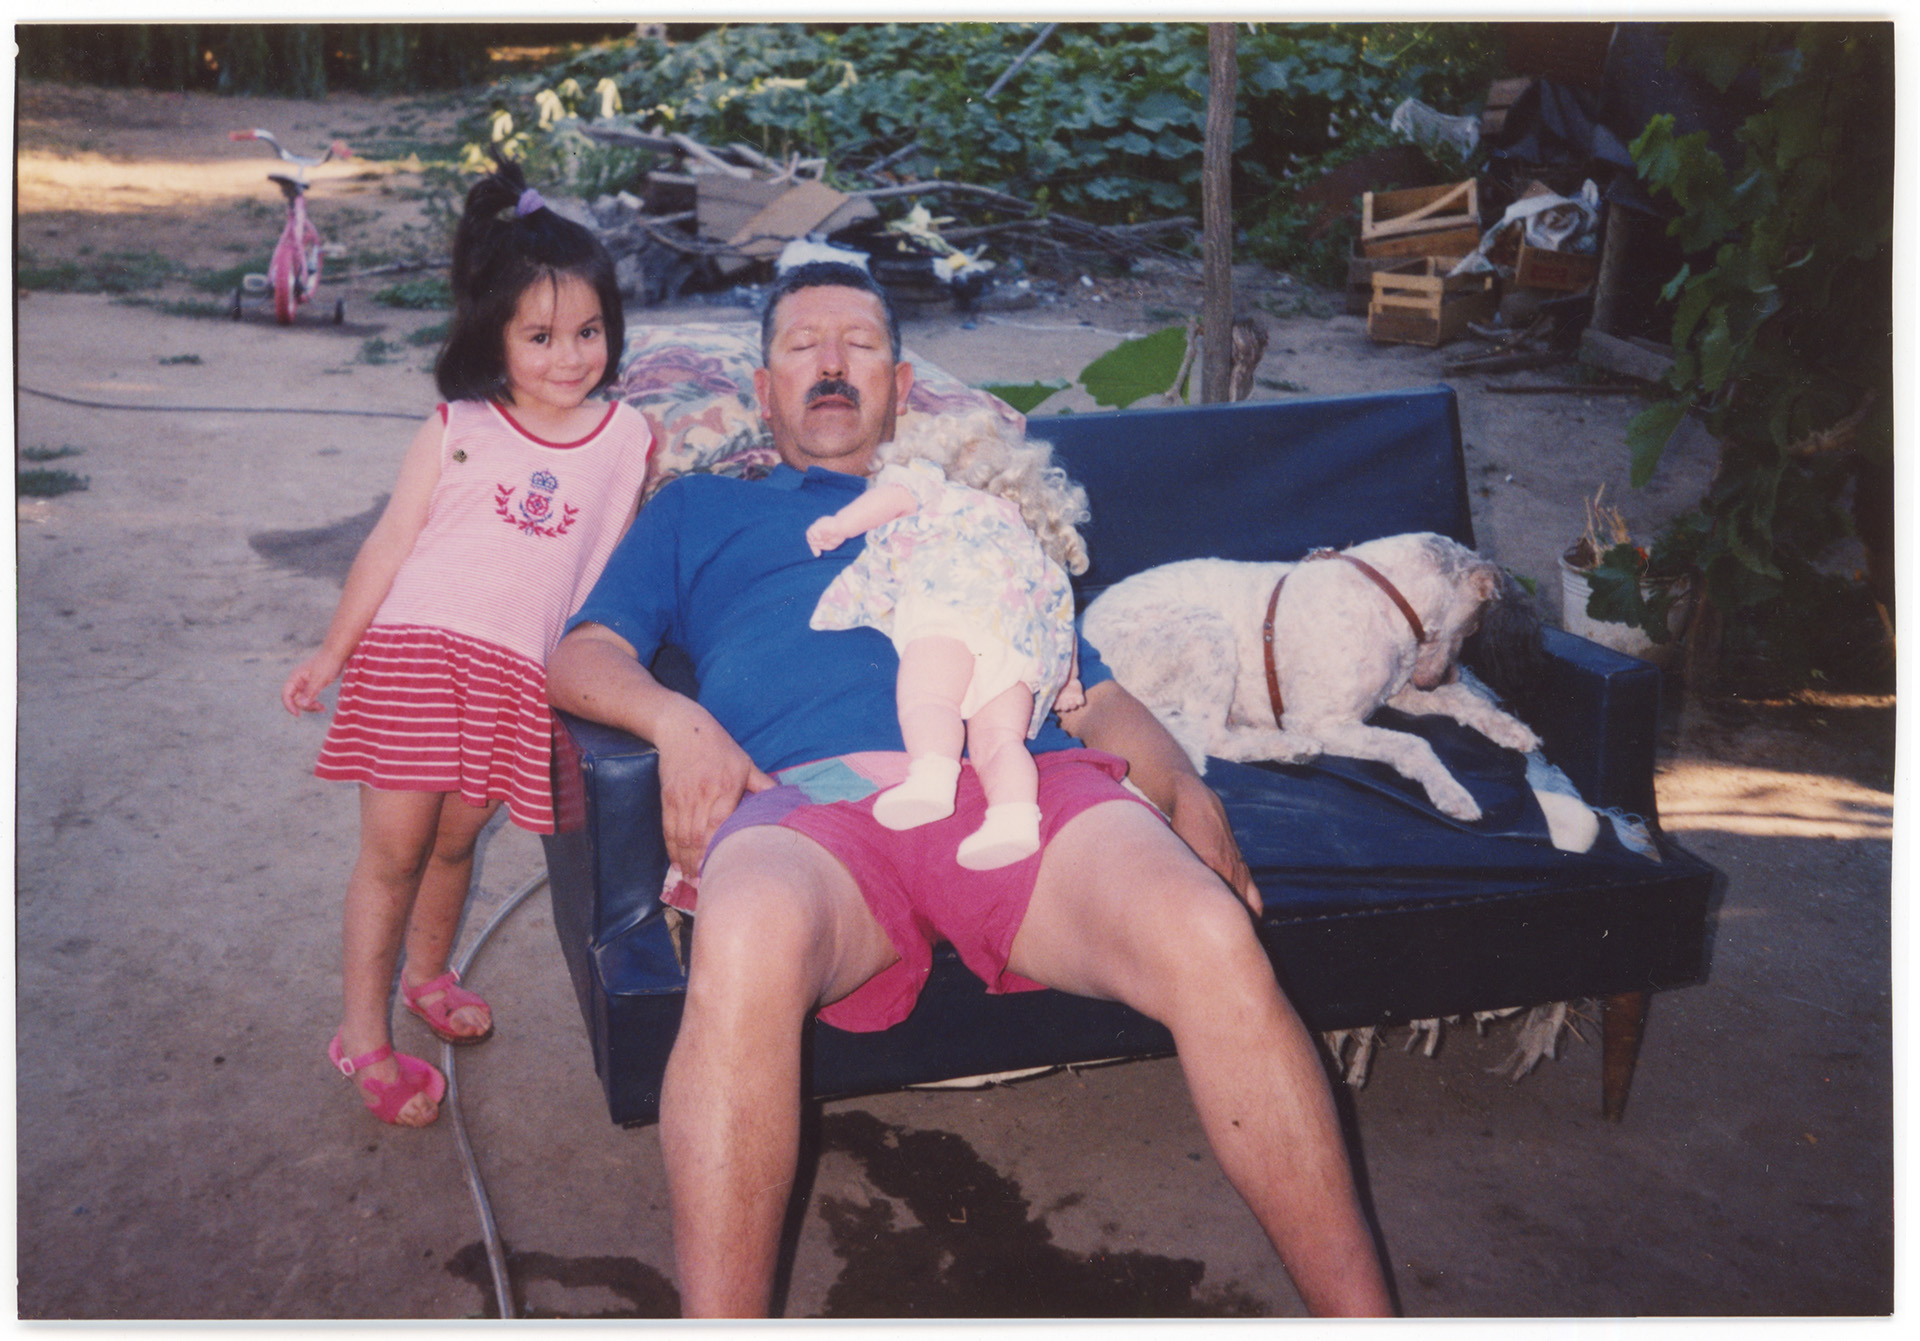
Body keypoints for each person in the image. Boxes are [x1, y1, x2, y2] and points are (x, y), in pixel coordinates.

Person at [546, 261, 1393, 1315]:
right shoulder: (699, 515)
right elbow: (580, 658)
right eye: (803, 346)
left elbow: (1089, 693)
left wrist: (1182, 782)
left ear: (899, 386)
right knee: (748, 930)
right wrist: (678, 725)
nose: (830, 365)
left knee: (1209, 932)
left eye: (857, 345)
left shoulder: (979, 520)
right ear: (765, 394)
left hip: (1020, 788)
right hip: (811, 807)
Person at [283, 157, 650, 1128]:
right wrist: (332, 653)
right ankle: (361, 1035)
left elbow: (611, 568)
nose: (570, 357)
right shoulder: (458, 426)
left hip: (509, 679)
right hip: (413, 657)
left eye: (588, 332)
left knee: (455, 845)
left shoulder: (626, 440)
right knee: (396, 852)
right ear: (495, 334)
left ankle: (429, 975)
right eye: (540, 336)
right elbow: (388, 545)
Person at [805, 409, 1087, 868]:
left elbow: (892, 500)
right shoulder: (1021, 535)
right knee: (1000, 741)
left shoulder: (930, 486)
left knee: (927, 699)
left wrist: (841, 524)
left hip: (949, 613)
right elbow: (1058, 605)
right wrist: (1068, 681)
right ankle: (1013, 817)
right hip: (1016, 645)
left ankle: (932, 778)